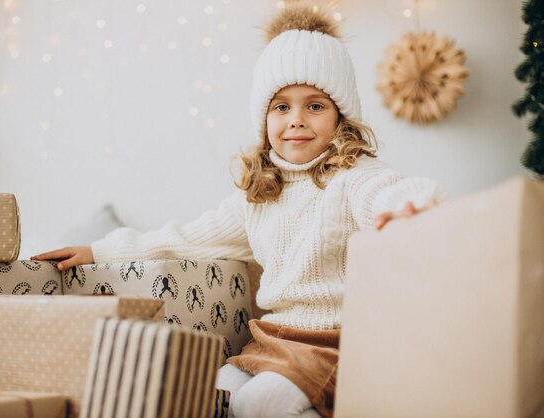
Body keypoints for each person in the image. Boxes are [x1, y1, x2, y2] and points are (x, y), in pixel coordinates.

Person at [32, 3, 446, 417]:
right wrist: (99, 252)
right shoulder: (258, 196)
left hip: (335, 344)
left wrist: (413, 207)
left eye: (315, 106)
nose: (296, 120)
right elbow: (184, 239)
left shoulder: (353, 176)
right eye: (281, 107)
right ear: (263, 118)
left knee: (259, 402)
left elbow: (388, 192)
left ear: (341, 116)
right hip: (272, 339)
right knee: (214, 391)